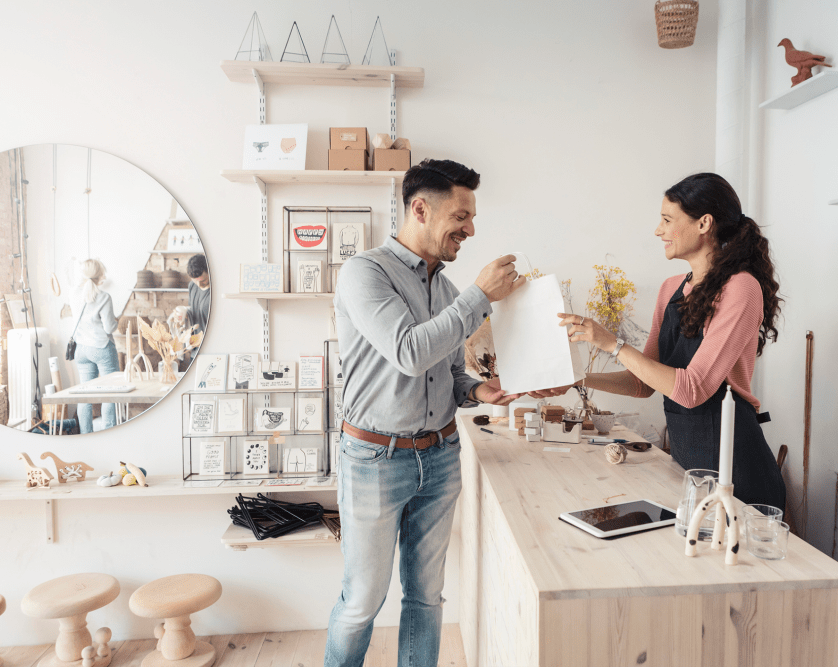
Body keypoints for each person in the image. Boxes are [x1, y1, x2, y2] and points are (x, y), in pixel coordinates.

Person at [326, 159, 525, 667]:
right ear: (420, 208)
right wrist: (480, 296)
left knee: (427, 597)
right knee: (361, 602)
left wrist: (481, 392)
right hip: (374, 459)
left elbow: (445, 374)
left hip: (439, 457)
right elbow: (410, 352)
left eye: (472, 217)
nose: (470, 229)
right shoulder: (365, 272)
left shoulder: (445, 288)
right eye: (461, 215)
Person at [546, 173, 786, 509]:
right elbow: (641, 384)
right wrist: (575, 380)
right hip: (690, 468)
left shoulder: (741, 289)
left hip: (737, 474)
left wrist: (612, 344)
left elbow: (692, 390)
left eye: (667, 219)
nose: (658, 230)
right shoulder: (670, 289)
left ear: (704, 223)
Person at [70, 258, 120, 434]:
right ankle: (109, 434)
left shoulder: (74, 293)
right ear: (100, 276)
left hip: (81, 349)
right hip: (102, 348)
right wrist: (116, 321)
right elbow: (109, 327)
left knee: (85, 395)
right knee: (110, 393)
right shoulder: (104, 297)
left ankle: (85, 435)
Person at [185, 254, 210, 337]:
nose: (199, 284)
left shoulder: (216, 291)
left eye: (203, 280)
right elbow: (194, 310)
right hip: (196, 343)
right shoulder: (192, 286)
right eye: (195, 281)